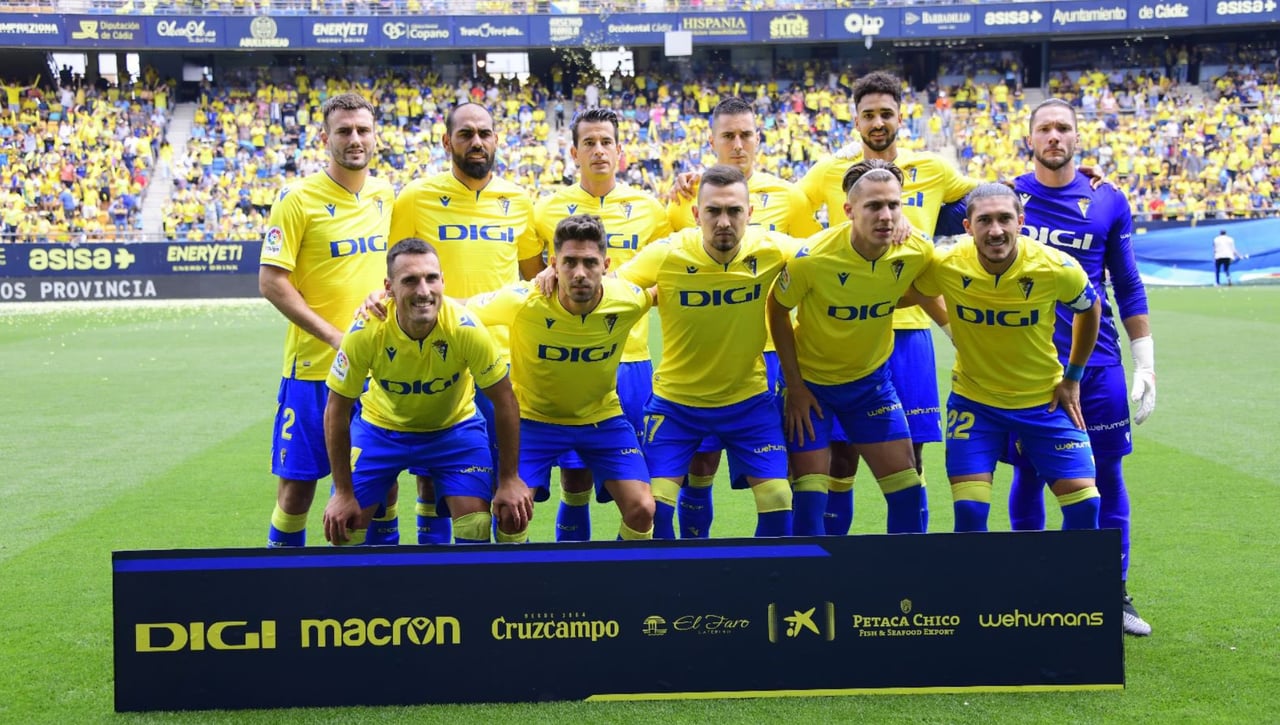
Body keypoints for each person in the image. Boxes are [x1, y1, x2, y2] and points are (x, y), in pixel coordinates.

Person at [799, 71, 981, 536]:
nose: (877, 122)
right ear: (854, 119)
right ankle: (836, 558)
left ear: (902, 116)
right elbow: (784, 210)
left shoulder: (935, 167)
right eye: (868, 115)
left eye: (886, 113)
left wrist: (1063, 177)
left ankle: (906, 561)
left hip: (911, 326)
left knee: (910, 452)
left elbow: (986, 201)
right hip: (847, 329)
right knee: (842, 455)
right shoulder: (828, 170)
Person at [1006, 98, 1157, 636]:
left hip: (1096, 365)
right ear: (1030, 138)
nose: (1054, 136)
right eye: (1044, 128)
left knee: (1107, 472)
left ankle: (1109, 590)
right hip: (1027, 366)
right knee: (1028, 472)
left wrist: (1147, 365)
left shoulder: (1108, 199)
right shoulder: (1006, 197)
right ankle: (1031, 585)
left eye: (1063, 128)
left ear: (1077, 136)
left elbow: (1129, 283)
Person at [666, 96, 821, 540]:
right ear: (712, 140)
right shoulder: (684, 198)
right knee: (701, 462)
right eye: (728, 136)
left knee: (781, 467)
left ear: (759, 138)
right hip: (710, 354)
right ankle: (696, 551)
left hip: (776, 351)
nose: (738, 144)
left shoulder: (789, 197)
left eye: (745, 134)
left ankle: (776, 559)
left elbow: (817, 262)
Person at [390, 102, 543, 544]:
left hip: (502, 361)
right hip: (438, 355)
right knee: (431, 474)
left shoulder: (518, 200)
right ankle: (435, 571)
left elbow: (532, 280)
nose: (477, 141)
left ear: (496, 139)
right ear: (447, 142)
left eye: (485, 133)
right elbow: (398, 270)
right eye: (466, 134)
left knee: (509, 478)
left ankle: (511, 577)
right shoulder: (415, 198)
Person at [912, 184, 1103, 535]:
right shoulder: (946, 263)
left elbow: (1090, 308)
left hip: (1043, 400)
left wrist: (1073, 376)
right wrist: (949, 327)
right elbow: (914, 292)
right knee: (969, 512)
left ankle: (1066, 588)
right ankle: (979, 591)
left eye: (1004, 219)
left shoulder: (1055, 267)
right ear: (968, 227)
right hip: (975, 403)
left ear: (1021, 221)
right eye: (984, 220)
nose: (995, 230)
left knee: (1085, 504)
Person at [769, 160, 947, 536]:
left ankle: (903, 592)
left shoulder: (915, 251)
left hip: (870, 386)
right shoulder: (812, 258)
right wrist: (796, 388)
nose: (886, 216)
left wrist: (948, 331)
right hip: (812, 389)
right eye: (873, 206)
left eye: (893, 205)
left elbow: (925, 289)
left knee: (907, 493)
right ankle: (810, 595)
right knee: (810, 502)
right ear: (849, 211)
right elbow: (778, 310)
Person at [619, 165, 797, 539]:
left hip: (748, 403)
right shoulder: (667, 254)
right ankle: (670, 592)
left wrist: (894, 228)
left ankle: (760, 591)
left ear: (750, 214)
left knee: (779, 498)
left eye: (734, 211)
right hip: (676, 405)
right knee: (654, 509)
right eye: (713, 211)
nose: (724, 221)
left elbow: (828, 253)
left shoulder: (770, 248)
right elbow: (609, 288)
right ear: (696, 214)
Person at [321, 238, 533, 546]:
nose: (424, 291)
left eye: (431, 278)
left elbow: (505, 401)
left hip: (454, 431)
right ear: (389, 287)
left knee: (475, 525)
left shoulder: (466, 329)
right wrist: (341, 492)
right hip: (381, 430)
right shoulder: (364, 331)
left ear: (443, 281)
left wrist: (510, 478)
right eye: (410, 280)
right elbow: (335, 411)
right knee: (346, 529)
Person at [259, 93, 399, 548]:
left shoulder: (385, 195)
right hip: (315, 369)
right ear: (326, 138)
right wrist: (336, 337)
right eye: (344, 131)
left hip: (375, 369)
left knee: (381, 484)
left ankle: (374, 592)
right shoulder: (297, 200)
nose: (355, 139)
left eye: (362, 130)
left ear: (375, 136)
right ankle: (281, 586)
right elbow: (272, 282)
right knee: (298, 488)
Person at [469, 215, 656, 541]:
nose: (580, 273)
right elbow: (460, 310)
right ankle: (520, 586)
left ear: (606, 264)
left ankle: (619, 581)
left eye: (589, 263)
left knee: (642, 508)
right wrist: (388, 300)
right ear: (553, 264)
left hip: (602, 419)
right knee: (510, 513)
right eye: (569, 262)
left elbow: (667, 289)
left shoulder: (627, 299)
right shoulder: (523, 301)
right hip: (533, 422)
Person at [531, 107, 669, 541]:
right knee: (575, 482)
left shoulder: (650, 210)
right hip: (567, 360)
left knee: (636, 488)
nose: (598, 150)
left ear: (620, 151)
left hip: (631, 362)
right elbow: (532, 284)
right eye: (588, 143)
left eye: (606, 141)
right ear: (574, 152)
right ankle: (575, 576)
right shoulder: (545, 210)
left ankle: (632, 577)